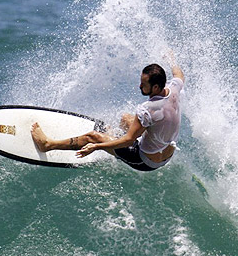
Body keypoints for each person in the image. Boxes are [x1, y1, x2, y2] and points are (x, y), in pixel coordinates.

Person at [31, 54, 184, 172]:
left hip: (146, 161)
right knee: (126, 119)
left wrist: (97, 146)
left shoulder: (147, 109)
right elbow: (179, 74)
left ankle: (48, 144)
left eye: (144, 85)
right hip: (167, 152)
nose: (139, 86)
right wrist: (171, 59)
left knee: (93, 137)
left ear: (156, 87)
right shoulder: (174, 88)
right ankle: (114, 147)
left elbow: (129, 140)